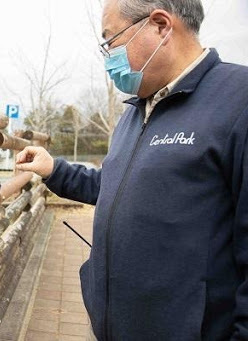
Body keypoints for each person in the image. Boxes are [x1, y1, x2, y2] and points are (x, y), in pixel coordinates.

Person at [16, 0, 248, 339]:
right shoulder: (137, 110)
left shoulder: (238, 100)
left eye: (111, 41)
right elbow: (118, 187)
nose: (108, 55)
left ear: (160, 25)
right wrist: (55, 170)